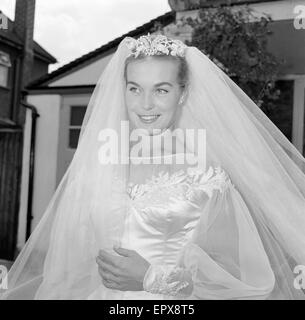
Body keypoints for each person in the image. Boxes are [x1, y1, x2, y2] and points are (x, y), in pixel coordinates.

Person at [1, 34, 305, 300]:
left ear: (182, 93)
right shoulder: (99, 163)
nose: (145, 104)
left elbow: (242, 279)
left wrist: (151, 277)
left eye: (161, 90)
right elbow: (71, 259)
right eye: (135, 88)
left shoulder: (207, 173)